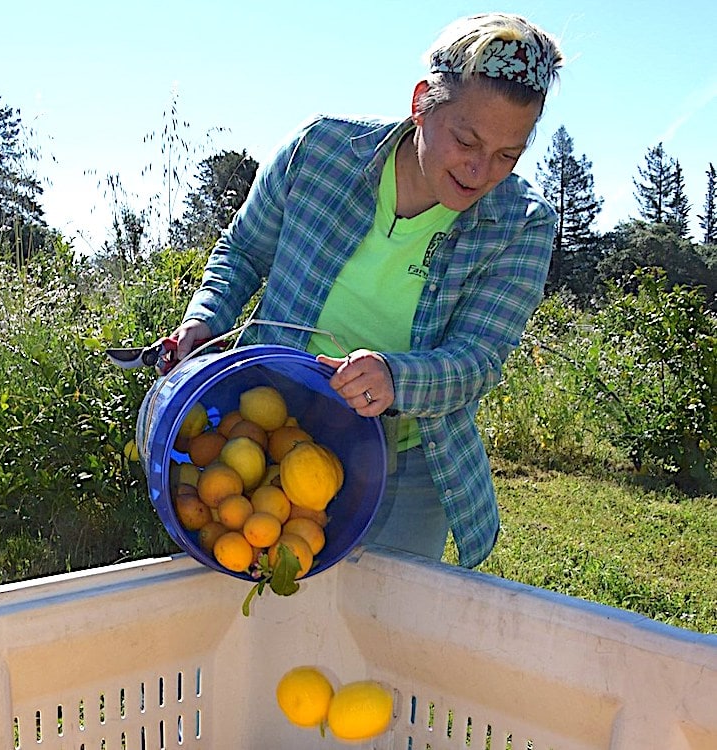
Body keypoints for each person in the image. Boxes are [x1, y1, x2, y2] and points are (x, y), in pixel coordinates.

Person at [170, 13, 564, 569]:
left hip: (407, 467)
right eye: (466, 141)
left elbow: (478, 360)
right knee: (269, 620)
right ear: (422, 103)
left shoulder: (520, 224)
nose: (480, 172)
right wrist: (206, 319)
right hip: (267, 437)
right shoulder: (321, 152)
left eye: (508, 156)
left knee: (378, 637)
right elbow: (243, 252)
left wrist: (393, 377)